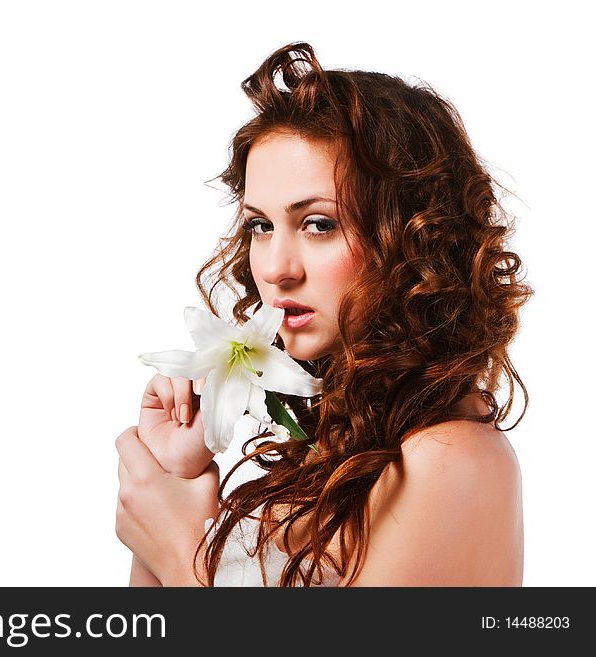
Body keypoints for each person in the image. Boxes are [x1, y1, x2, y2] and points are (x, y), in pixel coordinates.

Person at [114, 42, 531, 587]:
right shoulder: (322, 454)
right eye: (260, 226)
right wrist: (177, 476)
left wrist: (180, 553)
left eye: (318, 224)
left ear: (413, 239)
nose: (276, 269)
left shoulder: (453, 461)